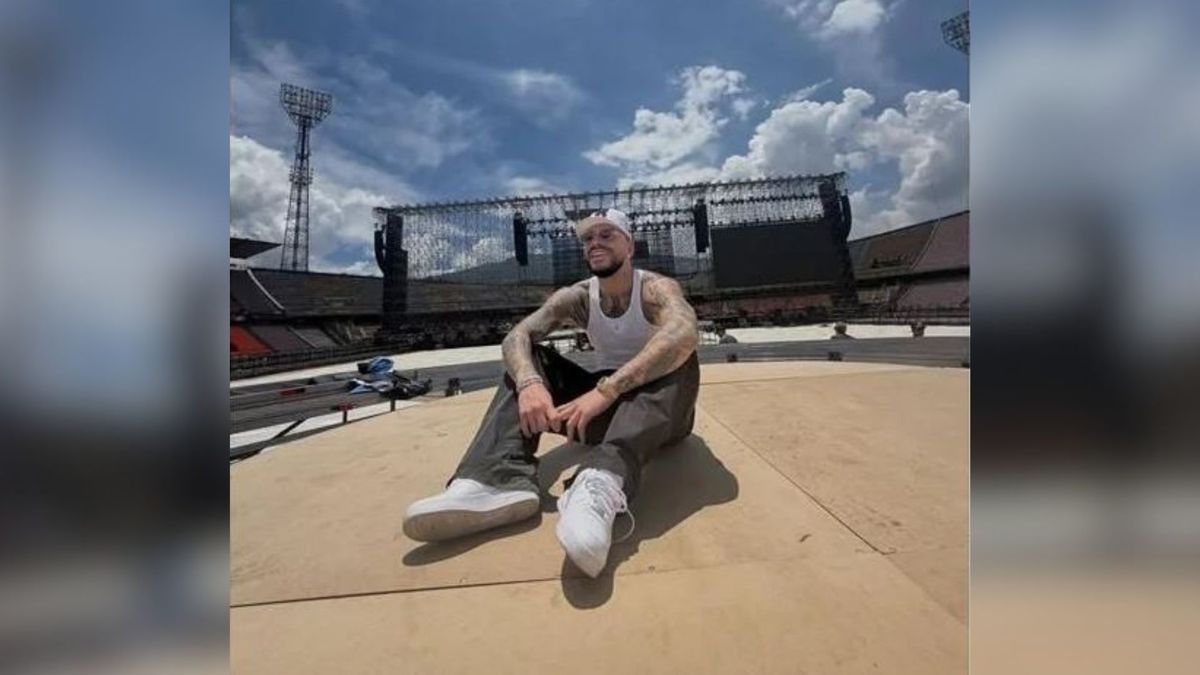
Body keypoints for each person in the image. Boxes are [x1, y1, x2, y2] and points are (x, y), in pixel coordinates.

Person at [402, 208, 701, 577]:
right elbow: (518, 336)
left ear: (630, 245)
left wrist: (607, 390)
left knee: (681, 355)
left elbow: (684, 332)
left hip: (662, 415)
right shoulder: (575, 297)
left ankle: (600, 482)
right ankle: (494, 479)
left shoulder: (656, 288)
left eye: (607, 235)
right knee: (528, 359)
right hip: (600, 415)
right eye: (588, 238)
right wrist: (530, 384)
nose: (595, 243)